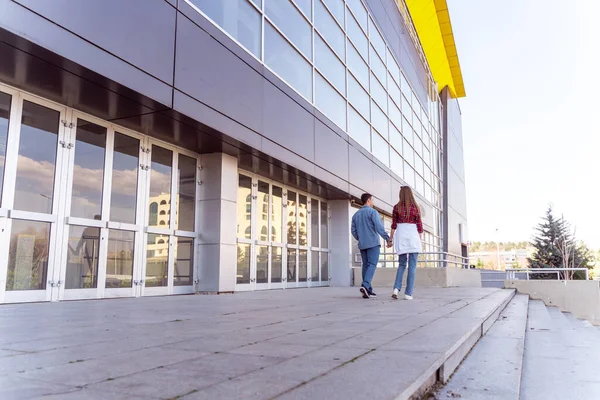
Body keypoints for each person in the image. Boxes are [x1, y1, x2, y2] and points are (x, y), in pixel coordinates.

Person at [351, 193, 390, 299]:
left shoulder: (356, 215)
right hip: (373, 243)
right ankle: (365, 285)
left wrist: (361, 238)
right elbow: (379, 227)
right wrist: (387, 238)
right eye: (372, 200)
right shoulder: (373, 212)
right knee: (372, 264)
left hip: (363, 244)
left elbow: (353, 231)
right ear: (368, 200)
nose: (373, 202)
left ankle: (368, 290)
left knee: (365, 265)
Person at [389, 186, 423, 300]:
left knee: (402, 264)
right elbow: (420, 227)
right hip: (413, 237)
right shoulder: (416, 208)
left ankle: (396, 288)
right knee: (412, 266)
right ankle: (408, 293)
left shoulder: (396, 207)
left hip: (401, 237)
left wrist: (390, 239)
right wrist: (420, 239)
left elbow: (393, 225)